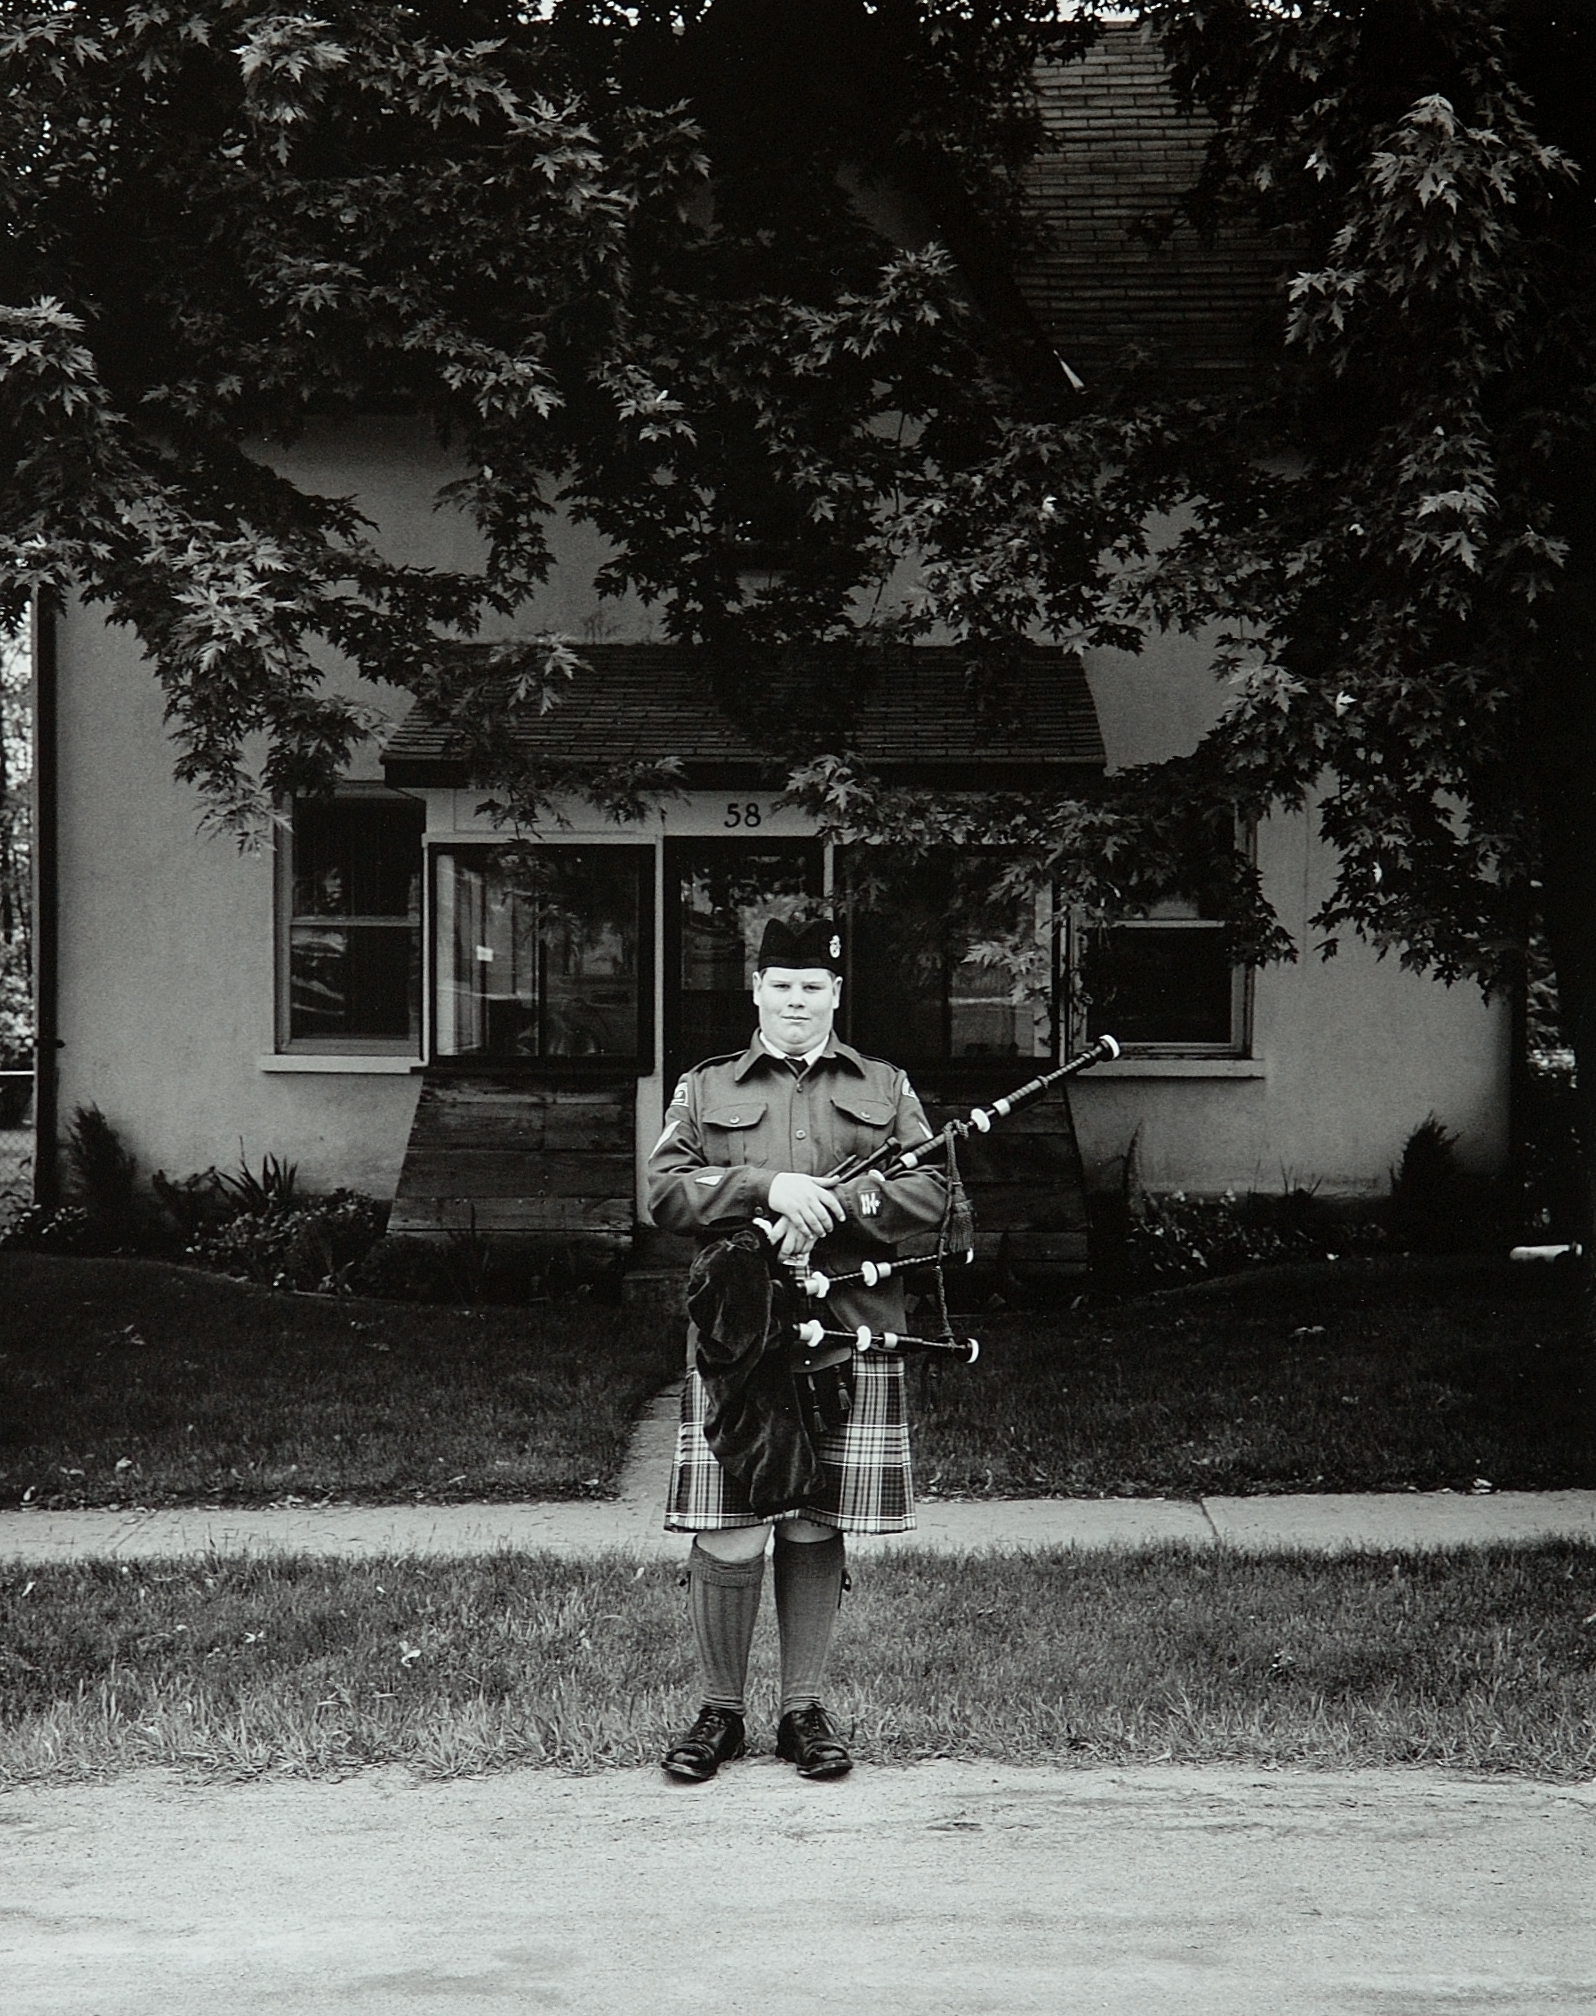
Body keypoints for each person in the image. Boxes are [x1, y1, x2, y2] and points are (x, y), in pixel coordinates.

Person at [647, 913, 948, 1781]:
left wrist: (849, 1204)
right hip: (741, 1339)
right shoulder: (705, 1090)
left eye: (812, 987)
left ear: (835, 995)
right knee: (730, 1528)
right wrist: (765, 1185)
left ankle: (802, 1713)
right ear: (757, 990)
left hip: (851, 1327)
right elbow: (664, 1194)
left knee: (817, 1521)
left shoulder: (886, 1088)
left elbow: (938, 1196)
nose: (795, 1001)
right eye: (780, 985)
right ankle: (720, 1714)